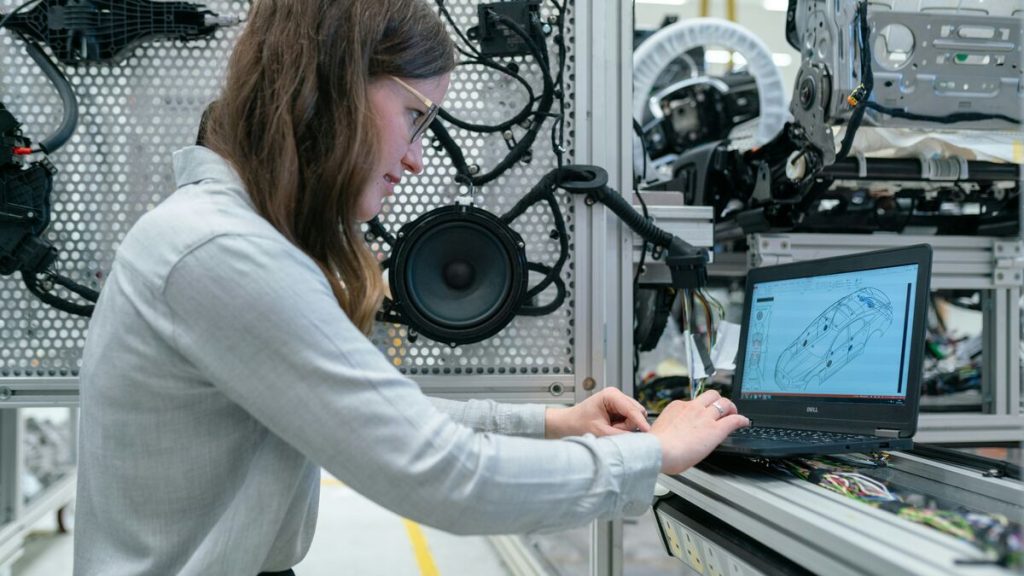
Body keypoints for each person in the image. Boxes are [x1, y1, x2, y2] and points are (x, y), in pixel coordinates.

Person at [72, 0, 749, 574]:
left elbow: (371, 411)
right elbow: (446, 476)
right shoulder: (223, 252)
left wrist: (552, 424)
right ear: (333, 86)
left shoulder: (221, 234)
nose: (418, 155)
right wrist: (653, 452)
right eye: (415, 115)